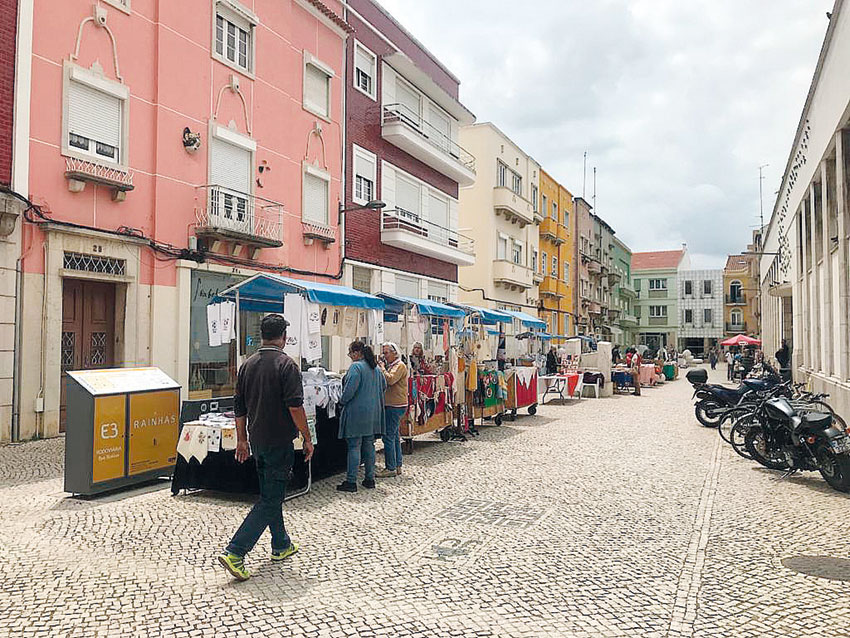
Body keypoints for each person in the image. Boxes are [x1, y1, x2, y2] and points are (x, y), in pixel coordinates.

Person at [218, 314, 313, 582]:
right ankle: (236, 551)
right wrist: (307, 437)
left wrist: (241, 439)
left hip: (257, 440)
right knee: (270, 499)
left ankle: (280, 544)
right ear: (283, 336)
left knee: (271, 494)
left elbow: (239, 408)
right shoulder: (287, 365)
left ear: (262, 335)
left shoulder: (247, 365)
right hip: (279, 441)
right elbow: (295, 407)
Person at [337, 341, 386, 493]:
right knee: (369, 446)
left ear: (357, 353)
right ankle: (369, 479)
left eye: (350, 353)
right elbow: (384, 385)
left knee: (354, 446)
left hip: (357, 413)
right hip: (373, 413)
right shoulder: (376, 368)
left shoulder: (356, 367)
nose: (350, 356)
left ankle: (351, 481)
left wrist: (342, 401)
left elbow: (349, 390)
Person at [377, 342, 408, 478]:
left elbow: (390, 380)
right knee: (394, 436)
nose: (384, 356)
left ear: (394, 353)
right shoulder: (393, 365)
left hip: (396, 405)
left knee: (388, 436)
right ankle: (397, 465)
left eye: (386, 353)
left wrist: (382, 368)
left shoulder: (399, 366)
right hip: (393, 404)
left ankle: (390, 467)